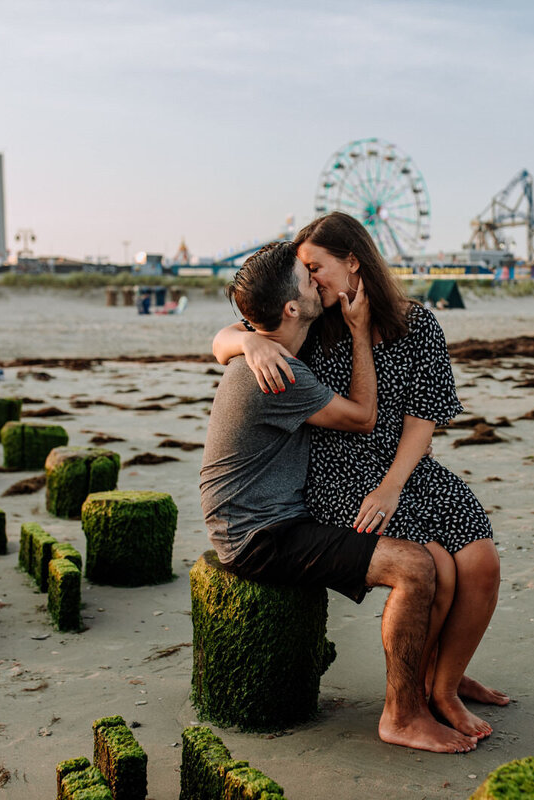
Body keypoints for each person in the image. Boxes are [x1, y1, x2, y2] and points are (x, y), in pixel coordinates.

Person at [213, 212, 506, 741]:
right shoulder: (309, 330)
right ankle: (420, 698)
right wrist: (246, 342)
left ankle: (445, 682)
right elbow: (244, 328)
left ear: (352, 261)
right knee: (434, 565)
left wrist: (395, 481)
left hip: (405, 465)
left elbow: (425, 414)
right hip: (336, 473)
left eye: (314, 266)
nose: (312, 279)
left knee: (480, 563)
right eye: (305, 272)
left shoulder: (417, 323)